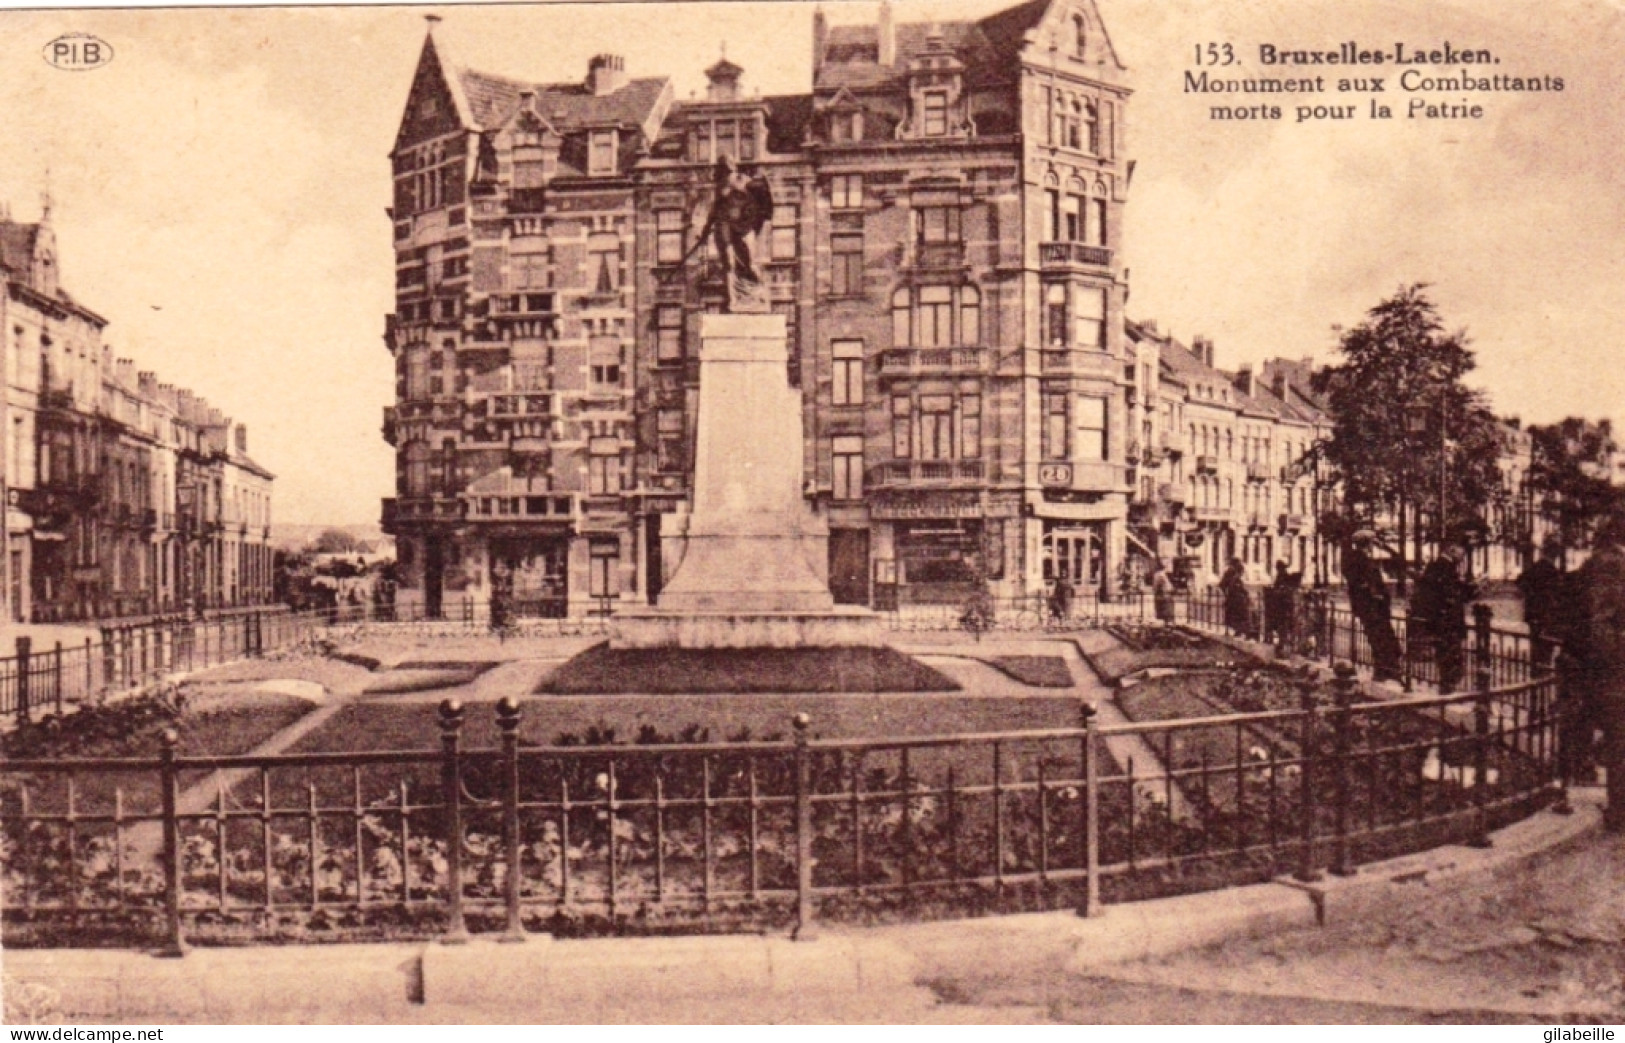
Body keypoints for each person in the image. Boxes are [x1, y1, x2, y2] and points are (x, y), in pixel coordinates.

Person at [1573, 513, 1625, 831]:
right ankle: (1619, 813)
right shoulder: (1609, 564)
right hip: (1614, 672)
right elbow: (1601, 622)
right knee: (1619, 741)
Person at [1414, 544, 1476, 693]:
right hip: (1447, 620)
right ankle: (1448, 689)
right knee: (1451, 655)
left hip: (1441, 619)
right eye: (1462, 553)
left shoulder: (1437, 566)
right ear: (1452, 550)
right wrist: (1471, 590)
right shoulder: (1444, 567)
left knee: (1446, 654)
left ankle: (1447, 687)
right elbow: (1450, 595)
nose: (1463, 558)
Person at [1344, 530, 1403, 682]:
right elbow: (1359, 583)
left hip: (1374, 606)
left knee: (1382, 638)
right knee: (1379, 638)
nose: (1373, 545)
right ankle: (1384, 671)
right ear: (1367, 543)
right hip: (1370, 606)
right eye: (1372, 542)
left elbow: (1397, 559)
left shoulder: (1363, 558)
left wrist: (1386, 548)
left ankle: (1388, 669)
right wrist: (1375, 594)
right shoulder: (1356, 558)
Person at [1518, 537, 1566, 665]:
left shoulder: (1535, 567)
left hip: (1533, 614)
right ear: (1555, 554)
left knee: (1535, 646)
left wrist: (1530, 598)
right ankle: (1541, 676)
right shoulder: (1552, 571)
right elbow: (1556, 594)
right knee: (1545, 648)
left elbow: (1521, 582)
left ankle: (1536, 675)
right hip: (1545, 615)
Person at [1267, 561, 1302, 651]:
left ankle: (1284, 644)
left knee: (1283, 626)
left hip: (1282, 607)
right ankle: (1285, 644)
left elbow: (1278, 589)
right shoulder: (1283, 577)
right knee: (1284, 626)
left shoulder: (1283, 577)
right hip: (1283, 607)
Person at [1219, 558, 1255, 638]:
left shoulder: (1231, 574)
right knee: (1241, 615)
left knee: (1235, 616)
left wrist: (1226, 593)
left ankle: (1239, 631)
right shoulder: (1232, 574)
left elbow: (1222, 585)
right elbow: (1224, 585)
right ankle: (1245, 631)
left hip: (1233, 598)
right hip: (1236, 600)